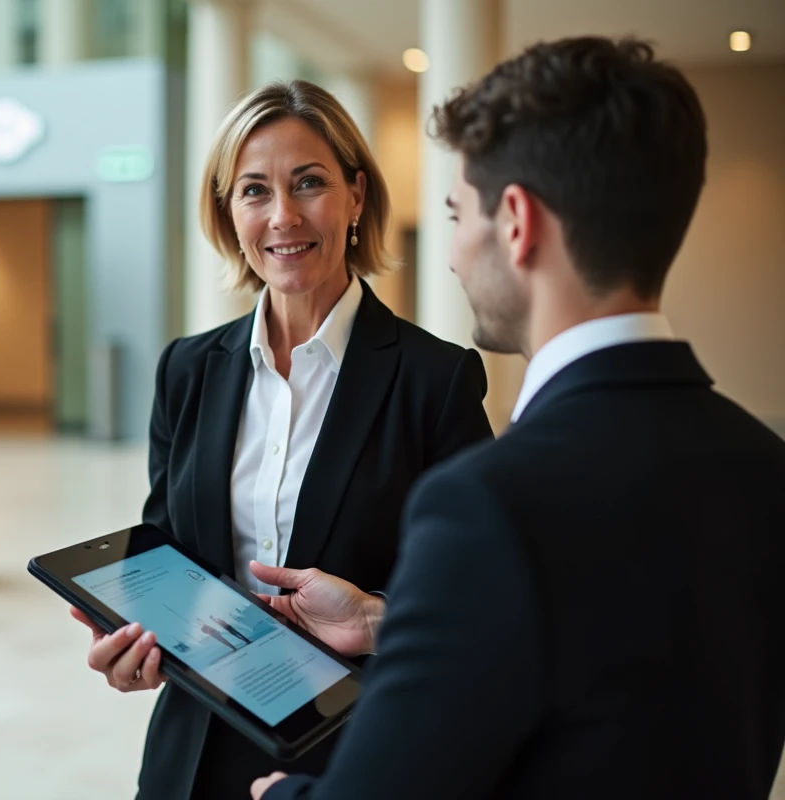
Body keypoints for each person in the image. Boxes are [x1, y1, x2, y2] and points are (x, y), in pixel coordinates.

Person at [248, 37, 785, 800]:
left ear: (517, 223)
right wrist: (378, 622)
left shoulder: (487, 505)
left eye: (457, 215)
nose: (453, 257)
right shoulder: (764, 465)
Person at [69, 80, 494, 799]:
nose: (283, 216)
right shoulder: (186, 369)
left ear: (356, 195)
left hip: (356, 755)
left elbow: (480, 595)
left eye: (309, 183)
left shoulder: (436, 380)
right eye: (255, 191)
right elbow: (167, 555)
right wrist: (139, 643)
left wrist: (376, 616)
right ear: (228, 212)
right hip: (192, 754)